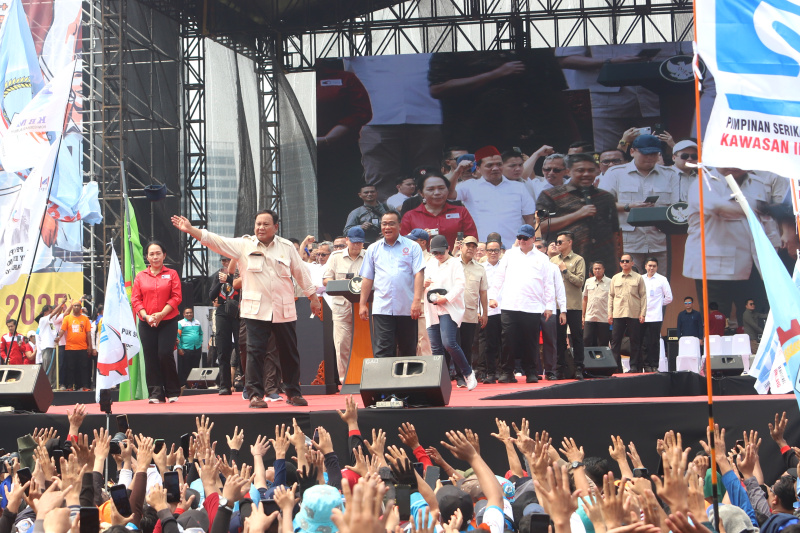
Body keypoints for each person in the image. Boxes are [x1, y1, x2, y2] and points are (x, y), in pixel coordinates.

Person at [172, 210, 321, 408]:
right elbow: (216, 241)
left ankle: (293, 393)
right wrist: (191, 230)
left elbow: (301, 273)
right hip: (255, 310)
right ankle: (255, 395)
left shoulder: (286, 247)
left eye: (266, 224)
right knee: (254, 354)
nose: (261, 227)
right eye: (258, 223)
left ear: (276, 227)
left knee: (289, 353)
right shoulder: (244, 245)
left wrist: (313, 298)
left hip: (283, 309)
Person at [600, 134, 680, 274]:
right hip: (629, 241)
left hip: (660, 240)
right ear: (632, 152)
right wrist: (628, 206)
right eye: (645, 153)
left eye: (654, 154)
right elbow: (602, 204)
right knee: (630, 285)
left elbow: (676, 207)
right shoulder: (616, 173)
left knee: (660, 285)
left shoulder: (670, 174)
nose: (649, 157)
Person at [536, 153, 620, 276]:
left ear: (597, 171)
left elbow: (613, 232)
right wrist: (578, 214)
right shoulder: (551, 195)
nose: (586, 174)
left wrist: (616, 263)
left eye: (590, 170)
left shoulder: (605, 197)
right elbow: (541, 226)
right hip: (566, 265)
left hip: (603, 264)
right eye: (580, 170)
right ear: (568, 172)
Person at [490, 224, 554, 383]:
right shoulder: (509, 255)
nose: (522, 241)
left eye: (525, 238)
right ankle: (507, 372)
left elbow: (548, 283)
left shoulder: (542, 258)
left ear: (533, 239)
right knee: (507, 341)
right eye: (519, 238)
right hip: (509, 305)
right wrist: (493, 297)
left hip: (532, 307)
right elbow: (499, 278)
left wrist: (549, 305)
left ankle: (531, 372)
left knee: (530, 341)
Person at [358, 211, 425, 358]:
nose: (387, 227)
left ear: (400, 226)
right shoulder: (373, 249)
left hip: (407, 307)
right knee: (383, 349)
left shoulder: (413, 247)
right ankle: (383, 381)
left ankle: (406, 381)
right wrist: (362, 303)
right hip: (383, 307)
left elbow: (419, 274)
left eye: (391, 223)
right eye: (384, 224)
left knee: (407, 349)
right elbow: (367, 278)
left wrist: (417, 301)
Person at [448, 145, 537, 246]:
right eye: (489, 165)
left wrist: (529, 244)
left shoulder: (518, 187)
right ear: (478, 168)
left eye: (499, 164)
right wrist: (458, 171)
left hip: (513, 248)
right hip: (481, 248)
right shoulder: (469, 186)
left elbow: (529, 219)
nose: (495, 168)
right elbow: (448, 194)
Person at [424, 235, 478, 390]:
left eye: (441, 252)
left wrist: (446, 298)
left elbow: (460, 285)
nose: (438, 256)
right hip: (432, 308)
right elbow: (422, 284)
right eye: (435, 253)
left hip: (449, 307)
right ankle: (439, 381)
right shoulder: (430, 263)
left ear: (448, 248)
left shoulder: (455, 263)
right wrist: (424, 284)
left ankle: (467, 373)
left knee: (449, 343)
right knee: (436, 348)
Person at [131, 242, 182, 403]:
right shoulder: (140, 276)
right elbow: (136, 299)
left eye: (158, 253)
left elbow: (176, 297)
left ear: (164, 255)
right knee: (150, 356)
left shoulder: (172, 274)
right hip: (147, 322)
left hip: (167, 320)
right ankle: (155, 393)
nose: (155, 257)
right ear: (147, 257)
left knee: (165, 354)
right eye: (151, 254)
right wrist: (146, 316)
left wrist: (161, 314)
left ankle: (173, 390)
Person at [322, 227, 366, 382]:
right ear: (347, 240)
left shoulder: (368, 256)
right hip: (342, 307)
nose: (356, 246)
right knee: (342, 345)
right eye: (354, 242)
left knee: (364, 343)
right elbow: (326, 281)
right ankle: (345, 379)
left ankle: (365, 378)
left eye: (360, 243)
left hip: (363, 306)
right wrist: (341, 283)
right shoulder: (335, 257)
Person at [400, 171, 478, 249]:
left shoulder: (461, 212)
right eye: (430, 189)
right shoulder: (410, 216)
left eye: (441, 188)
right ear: (421, 193)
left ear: (448, 190)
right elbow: (404, 245)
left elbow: (472, 240)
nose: (437, 193)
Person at [551, 231, 586, 380]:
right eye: (557, 242)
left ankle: (579, 367)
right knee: (559, 338)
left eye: (560, 242)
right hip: (557, 306)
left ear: (569, 242)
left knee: (576, 337)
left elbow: (579, 282)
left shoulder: (578, 260)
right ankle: (560, 368)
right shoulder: (552, 260)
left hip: (573, 306)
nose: (557, 244)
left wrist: (565, 270)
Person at [457, 236, 488, 384]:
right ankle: (454, 375)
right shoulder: (452, 264)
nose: (470, 248)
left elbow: (483, 293)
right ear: (461, 246)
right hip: (452, 311)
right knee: (452, 344)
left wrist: (485, 313)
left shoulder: (480, 269)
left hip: (470, 312)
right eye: (467, 245)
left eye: (473, 246)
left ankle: (464, 375)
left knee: (467, 345)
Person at [608, 254, 647, 373]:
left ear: (632, 263)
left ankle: (634, 366)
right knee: (615, 341)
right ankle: (616, 367)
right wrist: (610, 313)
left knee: (635, 341)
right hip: (618, 313)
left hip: (634, 313)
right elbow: (611, 296)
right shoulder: (615, 278)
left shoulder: (638, 278)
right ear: (620, 263)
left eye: (627, 261)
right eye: (622, 261)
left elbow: (643, 296)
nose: (624, 263)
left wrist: (643, 313)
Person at [208, 256, 240, 395]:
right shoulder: (218, 275)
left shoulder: (241, 274)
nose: (225, 263)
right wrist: (221, 282)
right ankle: (224, 385)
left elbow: (244, 289)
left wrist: (229, 279)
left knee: (242, 348)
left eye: (228, 260)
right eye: (223, 261)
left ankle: (245, 382)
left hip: (239, 312)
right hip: (222, 311)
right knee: (222, 348)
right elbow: (211, 296)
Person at [537, 238, 567, 381]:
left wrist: (563, 310)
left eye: (540, 247)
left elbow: (560, 290)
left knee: (550, 341)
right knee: (531, 341)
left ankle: (550, 370)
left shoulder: (553, 267)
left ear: (545, 250)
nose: (537, 250)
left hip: (549, 309)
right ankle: (534, 370)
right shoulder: (526, 267)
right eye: (534, 247)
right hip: (531, 308)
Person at [477, 237, 503, 383]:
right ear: (486, 252)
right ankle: (490, 372)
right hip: (487, 310)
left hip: (504, 309)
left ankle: (503, 371)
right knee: (489, 343)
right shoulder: (481, 267)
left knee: (504, 342)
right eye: (490, 250)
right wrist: (480, 310)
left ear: (500, 252)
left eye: (496, 250)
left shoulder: (505, 266)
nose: (493, 253)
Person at [54, 300, 96, 391]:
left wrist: (90, 346)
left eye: (78, 306)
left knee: (84, 367)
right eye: (74, 306)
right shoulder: (67, 318)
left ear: (80, 308)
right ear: (72, 307)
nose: (76, 307)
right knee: (70, 367)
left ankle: (85, 386)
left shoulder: (85, 319)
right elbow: (62, 330)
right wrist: (58, 337)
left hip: (83, 347)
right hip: (70, 347)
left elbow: (88, 333)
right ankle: (70, 386)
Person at [641, 257, 673, 372]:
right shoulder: (641, 279)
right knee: (644, 342)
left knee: (654, 342)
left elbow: (669, 298)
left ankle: (654, 365)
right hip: (642, 315)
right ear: (645, 266)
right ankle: (646, 366)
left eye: (654, 266)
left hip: (656, 316)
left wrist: (659, 304)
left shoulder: (662, 279)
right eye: (649, 265)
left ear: (657, 267)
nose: (651, 268)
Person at [406, 228, 433, 356]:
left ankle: (426, 371)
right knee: (407, 339)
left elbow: (433, 281)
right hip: (405, 302)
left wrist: (421, 284)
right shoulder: (405, 256)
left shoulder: (432, 260)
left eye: (413, 241)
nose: (408, 243)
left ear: (423, 242)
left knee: (424, 339)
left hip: (423, 304)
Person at [35, 301, 67, 389]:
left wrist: (63, 306)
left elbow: (58, 314)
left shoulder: (51, 322)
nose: (52, 311)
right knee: (48, 367)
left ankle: (53, 386)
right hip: (47, 347)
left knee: (54, 368)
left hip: (53, 347)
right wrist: (61, 303)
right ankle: (45, 387)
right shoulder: (43, 320)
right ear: (46, 312)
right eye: (50, 310)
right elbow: (54, 313)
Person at [583, 261, 612, 348]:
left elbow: (613, 299)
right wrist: (583, 315)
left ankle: (601, 361)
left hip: (603, 317)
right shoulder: (588, 281)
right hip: (590, 316)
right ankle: (587, 361)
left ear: (603, 270)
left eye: (599, 268)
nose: (597, 270)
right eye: (595, 269)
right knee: (586, 339)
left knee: (603, 342)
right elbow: (585, 299)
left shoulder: (610, 282)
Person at [177, 307, 203, 387]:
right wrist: (179, 348)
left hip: (197, 348)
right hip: (185, 348)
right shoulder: (180, 323)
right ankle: (185, 385)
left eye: (190, 312)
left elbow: (200, 333)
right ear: (183, 314)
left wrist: (200, 343)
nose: (189, 314)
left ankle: (195, 384)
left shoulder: (197, 322)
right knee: (185, 368)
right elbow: (178, 336)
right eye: (187, 313)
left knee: (196, 367)